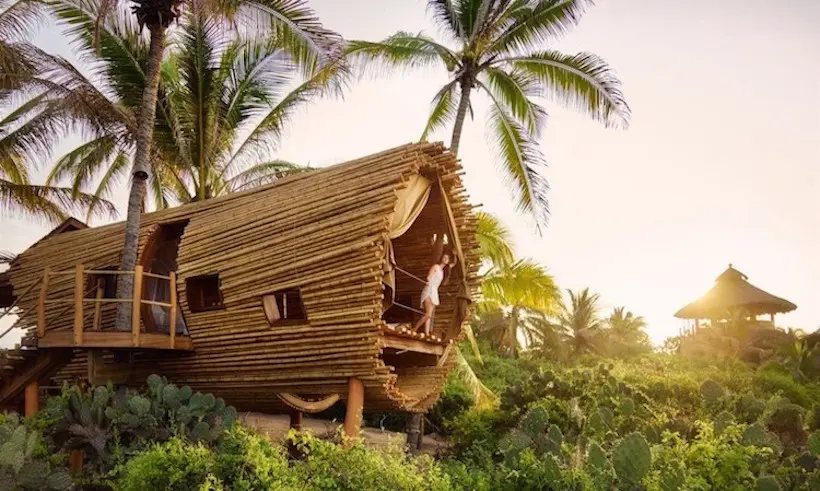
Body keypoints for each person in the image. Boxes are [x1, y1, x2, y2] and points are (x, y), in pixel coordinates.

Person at [413, 251, 456, 335]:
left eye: (447, 258)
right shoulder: (435, 266)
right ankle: (414, 329)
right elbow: (429, 276)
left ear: (448, 261)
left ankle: (427, 333)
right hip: (429, 289)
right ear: (441, 258)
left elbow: (438, 284)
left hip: (434, 291)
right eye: (444, 257)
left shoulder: (443, 273)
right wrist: (428, 280)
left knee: (429, 315)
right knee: (428, 314)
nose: (445, 259)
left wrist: (455, 255)